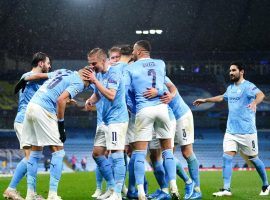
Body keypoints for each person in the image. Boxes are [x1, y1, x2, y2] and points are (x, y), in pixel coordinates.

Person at [193, 61, 270, 197]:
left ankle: (266, 184)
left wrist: (254, 102)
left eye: (234, 70)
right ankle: (226, 189)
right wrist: (206, 100)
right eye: (230, 71)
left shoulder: (248, 86)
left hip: (247, 131)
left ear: (241, 71)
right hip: (231, 131)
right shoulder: (231, 88)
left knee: (254, 159)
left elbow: (261, 95)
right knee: (226, 157)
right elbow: (222, 97)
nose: (231, 73)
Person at [18, 67, 92, 200]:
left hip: (32, 106)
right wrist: (61, 125)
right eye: (88, 84)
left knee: (34, 153)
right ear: (86, 77)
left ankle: (30, 194)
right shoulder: (80, 82)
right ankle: (52, 194)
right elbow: (60, 101)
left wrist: (25, 78)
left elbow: (40, 76)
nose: (86, 87)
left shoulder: (63, 71)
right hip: (44, 109)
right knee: (58, 152)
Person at [124, 40, 180, 200]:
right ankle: (173, 187)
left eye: (134, 50)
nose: (132, 53)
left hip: (144, 110)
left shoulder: (131, 67)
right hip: (162, 109)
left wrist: (133, 109)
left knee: (140, 153)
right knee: (168, 152)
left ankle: (141, 192)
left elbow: (126, 92)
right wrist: (159, 91)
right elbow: (163, 87)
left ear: (140, 51)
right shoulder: (160, 63)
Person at [3, 52, 51, 200]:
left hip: (30, 121)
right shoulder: (27, 76)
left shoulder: (41, 82)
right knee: (32, 157)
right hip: (24, 120)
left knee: (33, 157)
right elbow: (29, 78)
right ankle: (29, 193)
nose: (50, 66)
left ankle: (14, 190)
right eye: (48, 63)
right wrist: (56, 74)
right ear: (41, 63)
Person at [144, 76, 202, 199]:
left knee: (186, 152)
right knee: (166, 155)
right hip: (166, 119)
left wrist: (166, 94)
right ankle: (181, 184)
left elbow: (172, 89)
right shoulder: (139, 80)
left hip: (180, 115)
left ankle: (197, 189)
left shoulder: (157, 73)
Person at [86, 48, 129, 200]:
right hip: (105, 120)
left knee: (117, 154)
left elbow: (111, 95)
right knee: (97, 154)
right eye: (90, 63)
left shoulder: (114, 73)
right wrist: (91, 100)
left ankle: (117, 193)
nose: (92, 66)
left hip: (117, 119)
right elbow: (98, 94)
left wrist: (95, 81)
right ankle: (111, 187)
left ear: (103, 61)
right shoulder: (97, 73)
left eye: (94, 63)